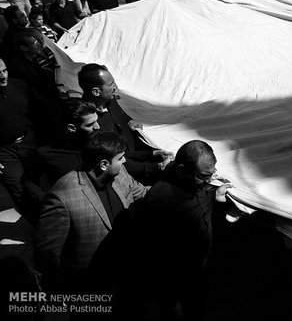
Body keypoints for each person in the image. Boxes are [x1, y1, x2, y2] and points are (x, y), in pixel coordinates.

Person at [104, 140, 232, 319]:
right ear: (181, 169)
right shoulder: (162, 199)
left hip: (196, 271)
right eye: (204, 176)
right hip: (171, 281)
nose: (209, 180)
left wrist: (215, 198)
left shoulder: (194, 182)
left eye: (212, 174)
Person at [34, 132, 148, 293]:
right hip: (90, 281)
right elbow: (47, 252)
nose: (124, 161)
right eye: (121, 158)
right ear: (103, 164)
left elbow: (140, 192)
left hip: (125, 267)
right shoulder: (62, 197)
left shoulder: (120, 173)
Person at [78, 63, 173, 183]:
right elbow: (120, 160)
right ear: (96, 91)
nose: (115, 87)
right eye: (111, 84)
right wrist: (157, 166)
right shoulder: (91, 123)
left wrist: (129, 120)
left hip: (139, 155)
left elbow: (121, 114)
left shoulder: (109, 101)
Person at [0, 57, 38, 215]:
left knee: (39, 184)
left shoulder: (20, 86)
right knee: (19, 191)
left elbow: (37, 112)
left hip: (29, 142)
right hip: (4, 152)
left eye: (4, 70)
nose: (3, 76)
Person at [34, 98, 100, 188]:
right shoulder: (46, 154)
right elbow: (34, 185)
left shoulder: (98, 142)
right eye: (90, 125)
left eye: (96, 121)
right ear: (72, 128)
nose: (97, 127)